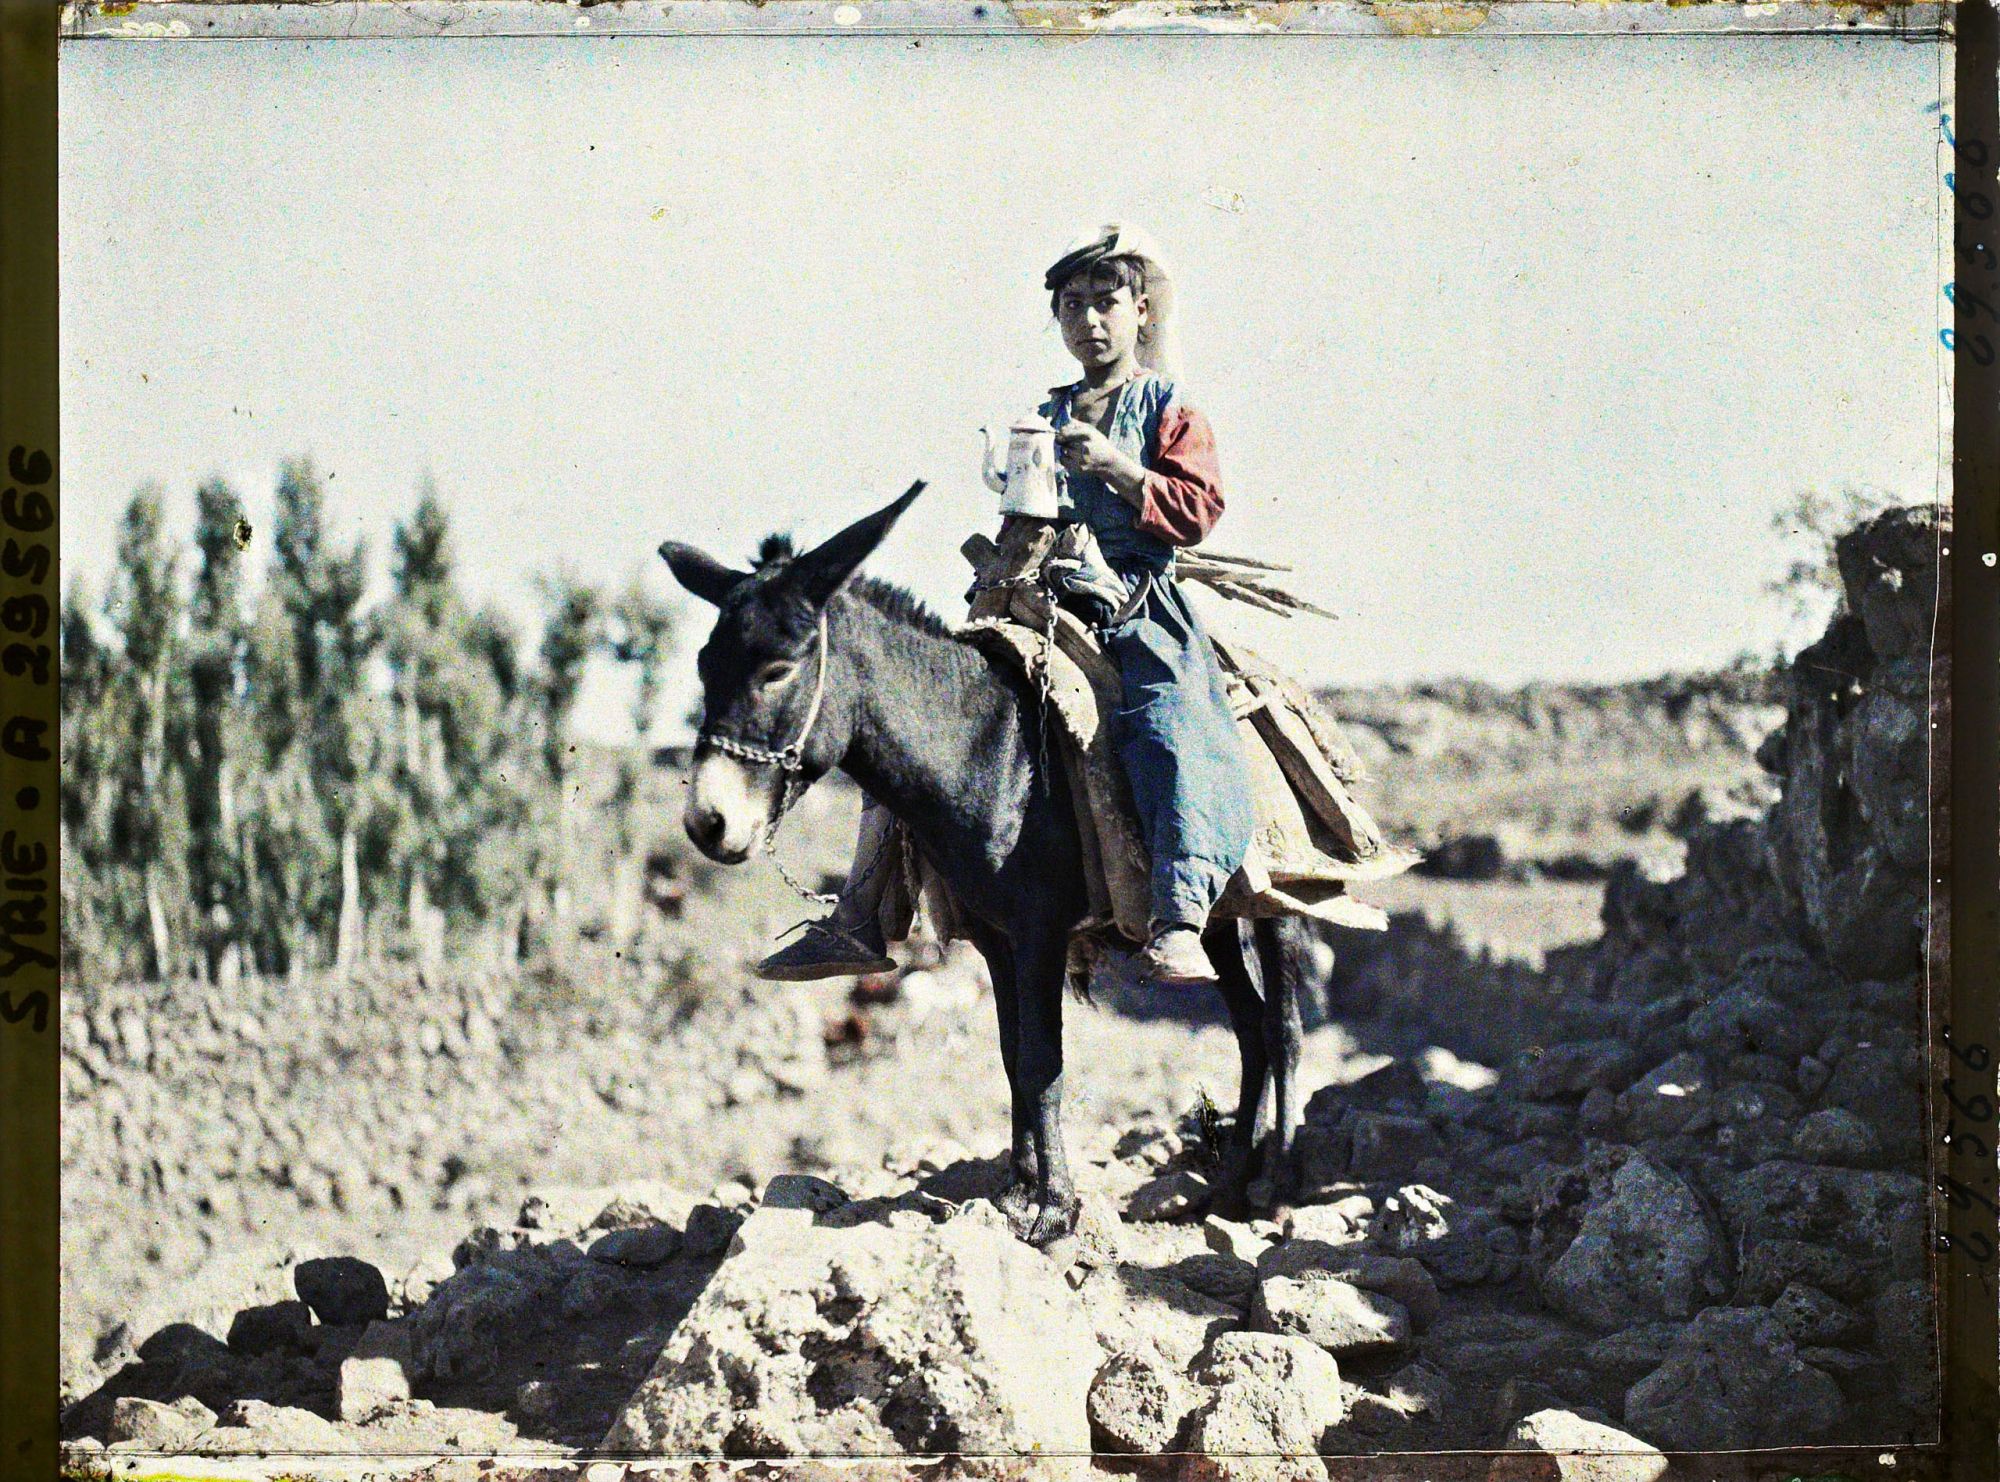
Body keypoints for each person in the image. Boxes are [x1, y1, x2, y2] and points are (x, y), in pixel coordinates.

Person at [756, 223, 1257, 986]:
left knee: (1167, 714)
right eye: (1073, 306)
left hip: (1133, 596)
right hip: (1040, 589)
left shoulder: (1167, 406)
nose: (1090, 321)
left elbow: (1197, 508)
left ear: (1142, 313)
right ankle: (860, 914)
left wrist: (1119, 468)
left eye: (1106, 303)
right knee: (917, 718)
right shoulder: (1045, 414)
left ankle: (1180, 907)